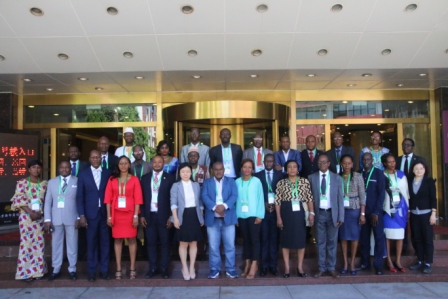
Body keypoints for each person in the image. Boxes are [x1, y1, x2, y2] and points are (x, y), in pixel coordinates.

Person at [105, 156, 143, 280]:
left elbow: (138, 199)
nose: (123, 165)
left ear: (129, 165)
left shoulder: (135, 180)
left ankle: (132, 268)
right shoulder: (112, 179)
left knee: (132, 240)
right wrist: (109, 216)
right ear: (118, 165)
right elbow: (108, 200)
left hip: (130, 213)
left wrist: (136, 215)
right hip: (116, 214)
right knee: (117, 240)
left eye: (125, 163)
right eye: (121, 163)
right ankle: (118, 268)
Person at [76, 150, 112, 281]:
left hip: (104, 214)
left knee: (105, 243)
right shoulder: (83, 174)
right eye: (93, 157)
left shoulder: (108, 173)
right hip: (90, 215)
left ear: (101, 159)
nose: (96, 159)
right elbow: (79, 196)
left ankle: (104, 270)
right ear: (89, 159)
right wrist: (81, 215)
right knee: (91, 243)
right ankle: (91, 271)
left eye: (98, 157)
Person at [275, 160, 314, 278]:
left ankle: (300, 267)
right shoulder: (281, 183)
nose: (292, 169)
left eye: (294, 167)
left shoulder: (304, 181)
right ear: (286, 169)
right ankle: (287, 267)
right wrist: (278, 217)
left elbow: (309, 198)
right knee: (286, 241)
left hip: (300, 214)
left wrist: (312, 213)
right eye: (290, 167)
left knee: (300, 241)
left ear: (298, 169)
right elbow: (277, 202)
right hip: (286, 213)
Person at [10, 160, 48, 281]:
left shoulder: (44, 184)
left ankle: (38, 272)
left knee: (39, 244)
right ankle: (26, 273)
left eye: (38, 167)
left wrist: (40, 214)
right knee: (27, 244)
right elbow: (18, 199)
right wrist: (30, 212)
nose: (36, 169)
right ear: (29, 169)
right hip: (26, 218)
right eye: (33, 167)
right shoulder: (22, 183)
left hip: (39, 217)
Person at [308, 154, 344, 279]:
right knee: (320, 242)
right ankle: (321, 268)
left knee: (332, 242)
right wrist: (311, 214)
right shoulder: (311, 178)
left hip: (332, 214)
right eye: (319, 162)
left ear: (329, 163)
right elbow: (309, 198)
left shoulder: (337, 178)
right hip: (319, 213)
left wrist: (341, 217)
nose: (322, 164)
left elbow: (340, 198)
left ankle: (332, 268)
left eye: (324, 162)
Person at [140, 156, 176, 279]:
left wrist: (171, 216)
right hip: (149, 216)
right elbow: (142, 199)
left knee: (165, 243)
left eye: (159, 162)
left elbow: (173, 199)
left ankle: (164, 269)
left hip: (164, 216)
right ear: (151, 164)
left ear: (163, 163)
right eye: (154, 162)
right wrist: (142, 215)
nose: (156, 164)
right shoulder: (144, 178)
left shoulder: (170, 178)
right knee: (151, 243)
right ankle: (153, 268)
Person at [201, 162, 239, 279]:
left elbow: (234, 195)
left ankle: (230, 269)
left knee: (230, 246)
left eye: (220, 169)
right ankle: (214, 269)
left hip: (228, 217)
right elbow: (204, 196)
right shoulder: (207, 182)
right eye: (216, 169)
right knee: (213, 246)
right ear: (212, 170)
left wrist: (224, 206)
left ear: (224, 170)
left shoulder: (231, 181)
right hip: (212, 219)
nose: (218, 171)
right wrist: (215, 208)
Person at [44, 161, 79, 281]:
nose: (64, 169)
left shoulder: (77, 181)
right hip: (56, 218)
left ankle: (72, 268)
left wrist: (79, 217)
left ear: (70, 168)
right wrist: (47, 219)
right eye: (62, 167)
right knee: (56, 244)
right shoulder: (52, 182)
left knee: (72, 244)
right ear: (58, 169)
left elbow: (80, 200)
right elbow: (48, 202)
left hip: (72, 217)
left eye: (67, 167)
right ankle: (56, 269)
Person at [170, 163, 204, 280]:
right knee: (183, 243)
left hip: (194, 215)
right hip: (182, 215)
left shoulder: (196, 185)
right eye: (183, 171)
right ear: (179, 173)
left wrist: (201, 216)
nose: (185, 174)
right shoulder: (176, 186)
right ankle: (184, 267)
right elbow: (173, 203)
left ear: (191, 173)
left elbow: (199, 202)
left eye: (187, 171)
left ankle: (192, 267)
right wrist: (175, 218)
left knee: (194, 243)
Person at [254, 154, 283, 276]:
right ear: (263, 162)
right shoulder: (257, 176)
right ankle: (264, 266)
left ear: (274, 162)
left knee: (274, 240)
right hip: (263, 212)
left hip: (276, 212)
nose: (269, 163)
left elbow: (282, 193)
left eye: (271, 161)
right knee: (264, 239)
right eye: (267, 161)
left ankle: (273, 266)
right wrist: (264, 204)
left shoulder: (281, 176)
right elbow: (255, 194)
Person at [235, 159, 264, 279]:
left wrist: (260, 215)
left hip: (254, 215)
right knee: (246, 240)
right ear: (241, 168)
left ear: (253, 169)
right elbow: (234, 200)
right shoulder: (236, 182)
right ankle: (247, 264)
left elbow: (260, 198)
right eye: (245, 167)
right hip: (241, 215)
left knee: (254, 240)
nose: (247, 170)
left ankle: (254, 265)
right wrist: (235, 217)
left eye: (249, 167)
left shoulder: (257, 181)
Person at [338, 155, 366, 275]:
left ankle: (353, 261)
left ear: (353, 164)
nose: (347, 165)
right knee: (343, 237)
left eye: (349, 163)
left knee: (354, 237)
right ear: (341, 164)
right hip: (342, 210)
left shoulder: (358, 176)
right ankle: (345, 261)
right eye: (344, 163)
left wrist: (362, 213)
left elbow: (362, 195)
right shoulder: (337, 177)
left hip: (354, 209)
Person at [359, 152, 386, 275]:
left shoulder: (379, 173)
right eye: (364, 159)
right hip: (363, 212)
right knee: (364, 239)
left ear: (372, 160)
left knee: (379, 238)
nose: (366, 161)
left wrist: (376, 211)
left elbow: (381, 194)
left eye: (368, 159)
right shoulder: (358, 174)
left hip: (376, 212)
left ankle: (378, 265)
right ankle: (365, 263)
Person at [381, 153, 409, 273]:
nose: (392, 164)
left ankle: (398, 260)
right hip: (387, 209)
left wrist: (408, 209)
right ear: (385, 163)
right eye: (389, 162)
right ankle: (389, 260)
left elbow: (406, 192)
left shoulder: (402, 175)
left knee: (399, 236)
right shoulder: (382, 175)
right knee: (387, 236)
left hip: (401, 209)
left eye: (393, 161)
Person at [408, 161, 437, 274]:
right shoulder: (410, 182)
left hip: (426, 214)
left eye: (421, 168)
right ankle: (420, 260)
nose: (419, 170)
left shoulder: (429, 181)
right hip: (414, 213)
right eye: (416, 168)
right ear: (413, 170)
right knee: (417, 238)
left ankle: (428, 262)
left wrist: (433, 214)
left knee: (427, 239)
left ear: (425, 170)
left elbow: (433, 198)